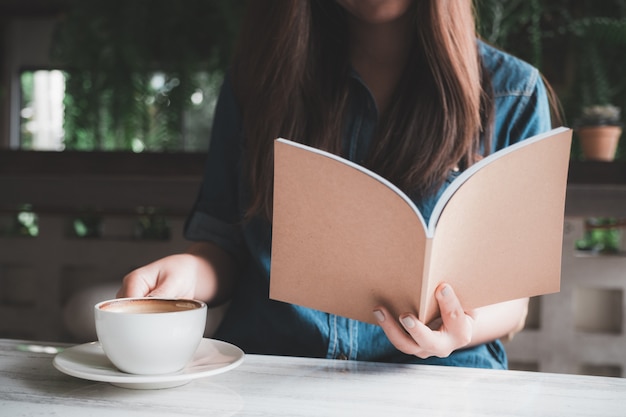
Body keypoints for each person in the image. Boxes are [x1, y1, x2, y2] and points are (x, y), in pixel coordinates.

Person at [118, 0, 557, 368]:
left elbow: (514, 299)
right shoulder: (259, 81)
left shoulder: (513, 94)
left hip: (442, 379)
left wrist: (457, 333)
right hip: (274, 371)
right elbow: (225, 247)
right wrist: (185, 278)